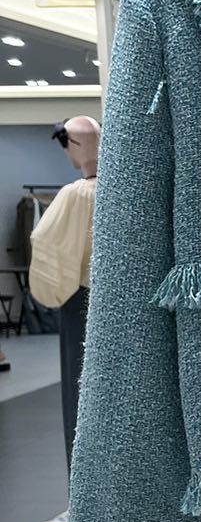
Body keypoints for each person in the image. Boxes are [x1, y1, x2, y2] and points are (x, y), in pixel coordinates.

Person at [29, 116, 99, 474]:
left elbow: (45, 243)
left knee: (79, 394)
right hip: (119, 303)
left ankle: (84, 482)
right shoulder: (123, 190)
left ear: (74, 146)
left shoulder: (76, 195)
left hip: (80, 302)